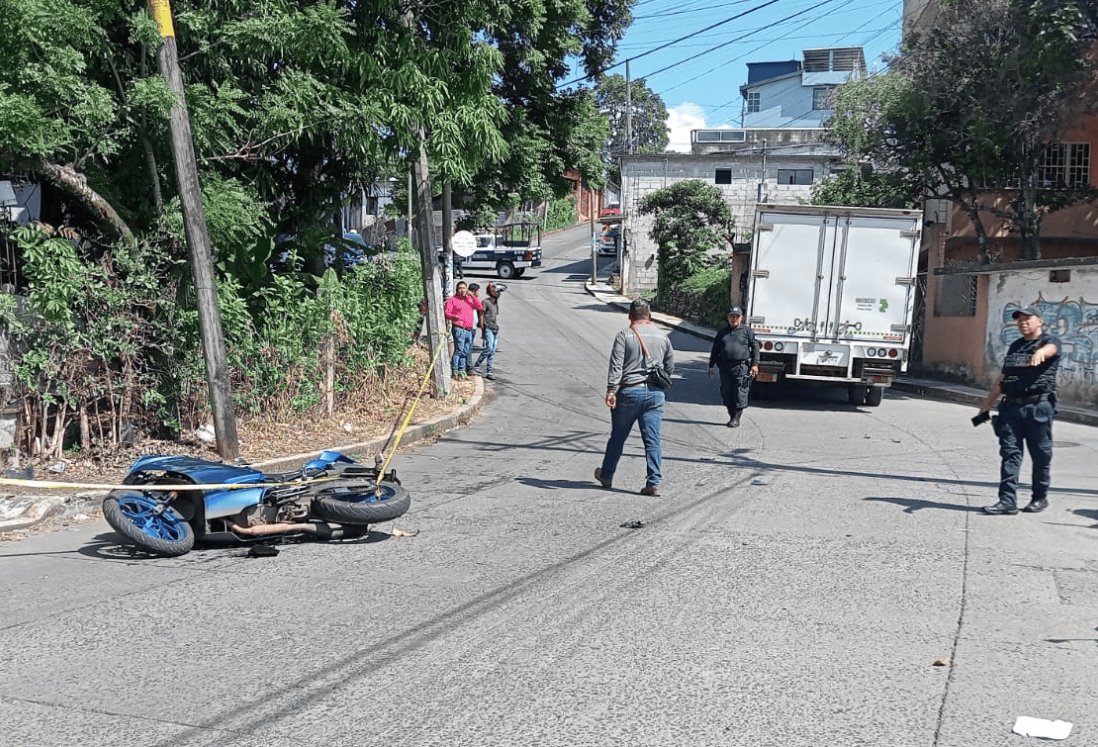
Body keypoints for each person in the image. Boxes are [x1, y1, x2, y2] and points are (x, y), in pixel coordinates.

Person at [978, 306, 1061, 515]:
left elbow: (1052, 349)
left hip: (1037, 407)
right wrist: (987, 403)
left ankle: (1039, 498)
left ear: (1039, 321)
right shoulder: (1015, 346)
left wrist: (1041, 352)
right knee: (1010, 454)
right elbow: (1004, 378)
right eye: (1019, 320)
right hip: (1011, 407)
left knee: (1041, 455)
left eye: (1028, 319)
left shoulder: (1049, 342)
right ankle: (1007, 501)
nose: (1023, 323)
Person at [595, 299, 675, 496]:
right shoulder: (663, 337)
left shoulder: (625, 335)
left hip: (629, 392)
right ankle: (653, 482)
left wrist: (611, 391)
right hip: (655, 394)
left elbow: (616, 366)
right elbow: (669, 367)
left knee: (618, 436)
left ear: (630, 316)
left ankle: (607, 475)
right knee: (652, 440)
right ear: (650, 316)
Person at [708, 306, 760, 428]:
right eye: (732, 316)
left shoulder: (747, 331)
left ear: (741, 318)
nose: (734, 319)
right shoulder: (722, 333)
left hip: (741, 366)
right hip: (725, 367)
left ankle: (736, 418)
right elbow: (715, 350)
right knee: (726, 392)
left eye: (736, 317)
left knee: (739, 392)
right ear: (728, 318)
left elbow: (755, 347)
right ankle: (731, 414)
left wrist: (755, 365)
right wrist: (711, 366)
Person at [444, 281, 483, 379]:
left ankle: (462, 370)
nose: (462, 290)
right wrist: (453, 317)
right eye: (460, 288)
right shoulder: (452, 300)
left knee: (465, 351)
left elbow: (479, 306)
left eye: (464, 288)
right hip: (459, 328)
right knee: (459, 350)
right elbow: (447, 313)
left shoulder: (469, 300)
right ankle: (455, 370)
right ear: (457, 290)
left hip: (468, 329)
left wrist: (472, 296)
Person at [472, 282, 505, 380]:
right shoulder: (485, 302)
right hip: (488, 328)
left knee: (492, 351)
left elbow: (495, 316)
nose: (499, 294)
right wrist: (483, 328)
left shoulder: (495, 303)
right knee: (489, 348)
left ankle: (489, 371)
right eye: (497, 292)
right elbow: (481, 314)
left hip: (495, 328)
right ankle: (477, 365)